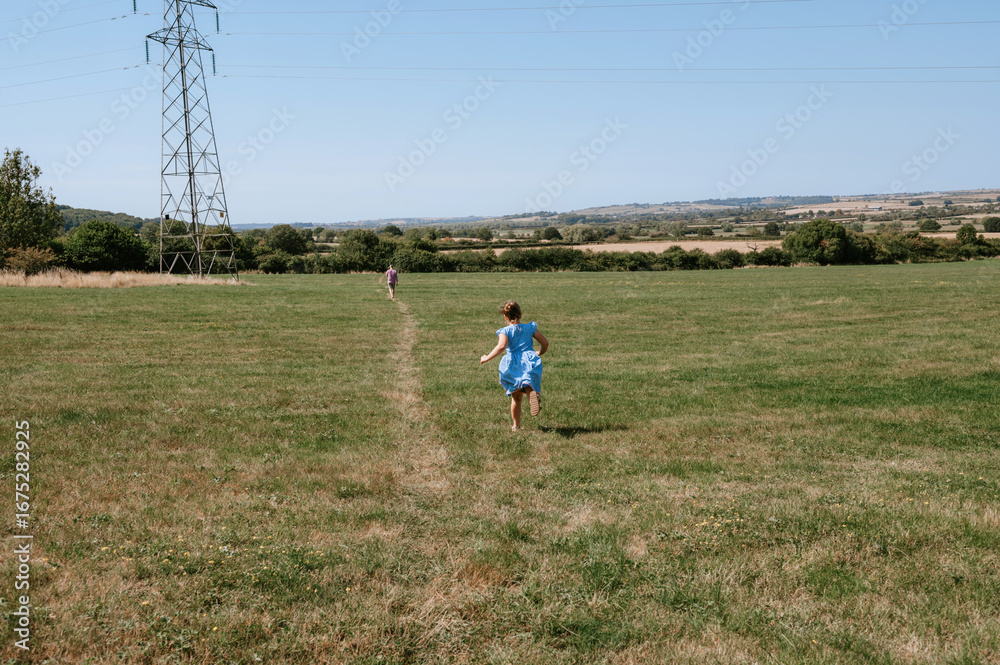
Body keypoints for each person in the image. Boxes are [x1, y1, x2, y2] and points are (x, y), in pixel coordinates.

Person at [480, 301, 549, 431]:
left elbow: (501, 347)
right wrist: (540, 352)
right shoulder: (530, 328)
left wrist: (486, 358)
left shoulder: (505, 331)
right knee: (528, 384)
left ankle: (516, 426)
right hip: (529, 360)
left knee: (516, 397)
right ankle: (533, 396)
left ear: (505, 317)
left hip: (512, 364)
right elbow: (545, 343)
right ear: (520, 314)